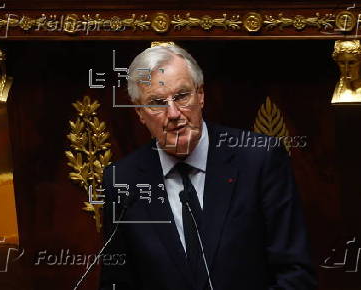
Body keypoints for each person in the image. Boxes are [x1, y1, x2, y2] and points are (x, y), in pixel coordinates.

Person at [99, 45, 317, 290]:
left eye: (182, 96)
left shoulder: (259, 159)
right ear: (139, 112)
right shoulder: (122, 181)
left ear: (200, 95)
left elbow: (296, 276)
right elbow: (117, 283)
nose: (173, 113)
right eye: (157, 103)